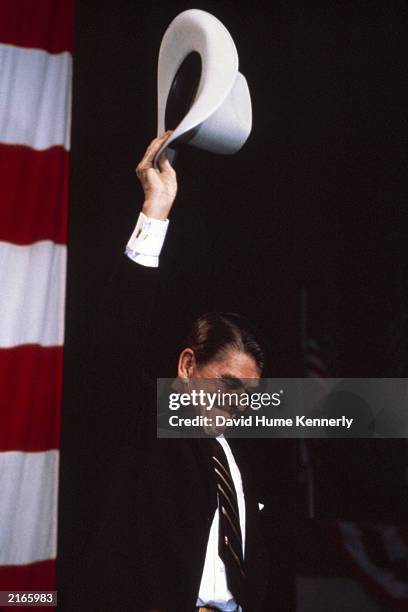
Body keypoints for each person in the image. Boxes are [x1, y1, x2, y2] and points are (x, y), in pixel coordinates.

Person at [69, 132, 270, 611]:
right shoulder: (146, 423)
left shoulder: (242, 457)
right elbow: (111, 350)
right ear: (187, 364)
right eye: (228, 384)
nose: (238, 403)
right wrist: (154, 214)